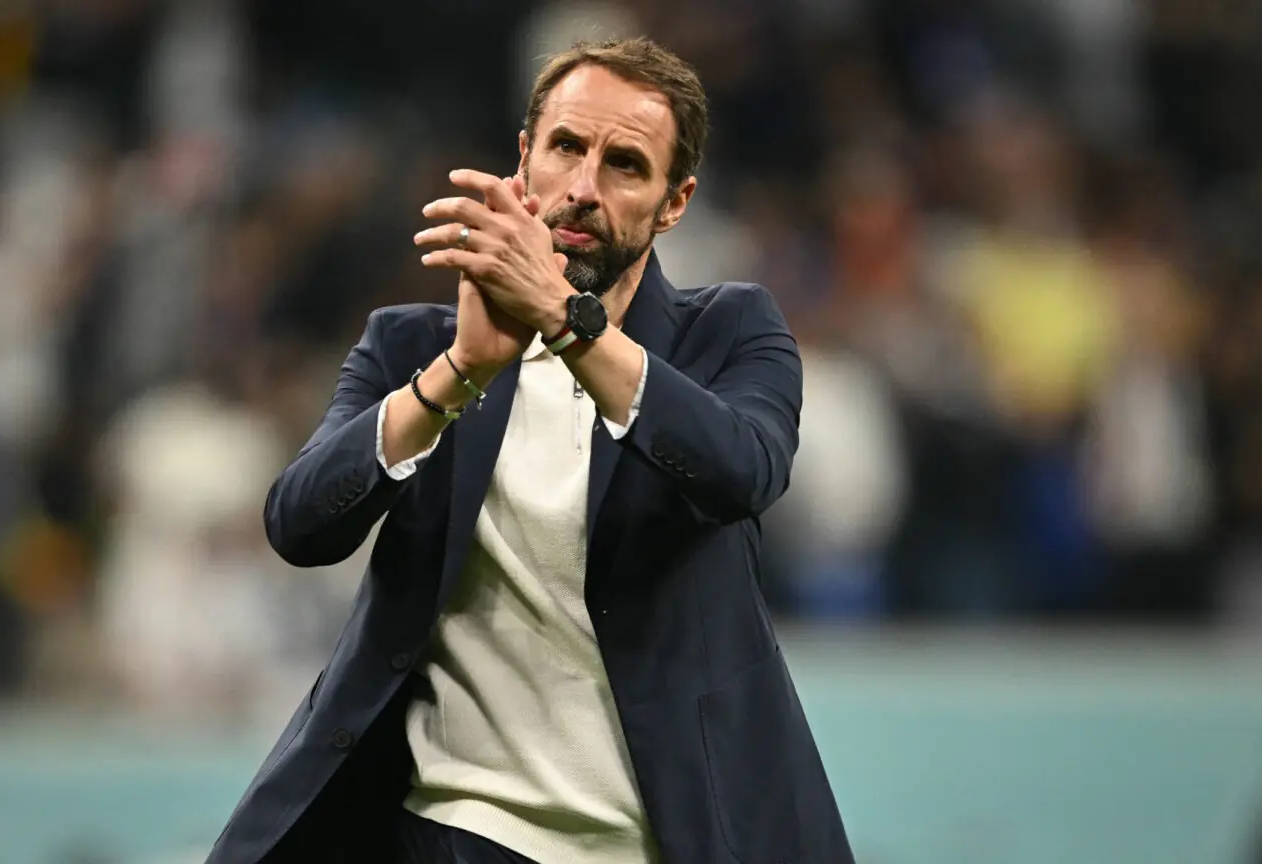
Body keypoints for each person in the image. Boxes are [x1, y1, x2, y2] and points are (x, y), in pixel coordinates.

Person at [205, 37, 854, 864]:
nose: (583, 187)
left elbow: (743, 471)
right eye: (566, 147)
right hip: (455, 828)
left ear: (674, 202)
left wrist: (567, 322)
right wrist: (459, 373)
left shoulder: (729, 331)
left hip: (668, 837)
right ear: (524, 159)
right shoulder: (412, 346)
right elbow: (299, 524)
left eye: (625, 165)